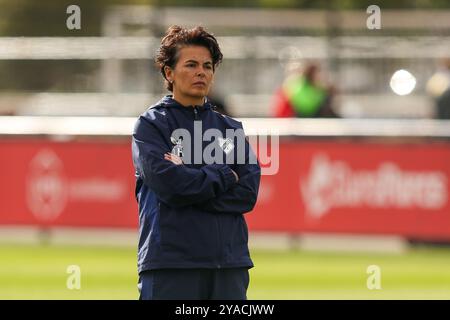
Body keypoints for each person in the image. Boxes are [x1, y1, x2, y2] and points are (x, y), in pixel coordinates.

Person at [131, 25, 261, 300]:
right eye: (191, 65)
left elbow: (247, 194)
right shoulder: (151, 126)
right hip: (171, 266)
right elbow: (170, 186)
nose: (201, 71)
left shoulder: (230, 129)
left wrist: (190, 182)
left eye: (207, 66)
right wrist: (224, 177)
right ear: (169, 73)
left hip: (228, 267)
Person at [272, 62, 338, 118]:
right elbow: (306, 107)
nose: (320, 76)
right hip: (304, 117)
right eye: (317, 73)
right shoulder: (299, 86)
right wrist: (322, 95)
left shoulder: (318, 87)